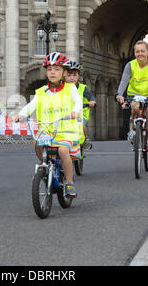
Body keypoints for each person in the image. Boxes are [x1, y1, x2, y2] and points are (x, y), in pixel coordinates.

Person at [13, 52, 82, 198]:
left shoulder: (71, 89)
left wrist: (75, 112)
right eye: (50, 69)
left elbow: (78, 102)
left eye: (57, 69)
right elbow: (31, 105)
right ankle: (47, 166)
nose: (52, 72)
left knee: (63, 151)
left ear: (64, 72)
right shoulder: (41, 92)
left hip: (66, 132)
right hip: (47, 130)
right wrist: (21, 115)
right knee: (36, 142)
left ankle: (69, 183)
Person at [116, 40, 148, 167]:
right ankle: (132, 129)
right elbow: (124, 81)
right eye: (137, 51)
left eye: (143, 51)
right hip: (135, 96)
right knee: (135, 106)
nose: (140, 54)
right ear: (134, 53)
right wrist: (119, 94)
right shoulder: (130, 65)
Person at [64, 61, 96, 149]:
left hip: (81, 114)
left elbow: (91, 97)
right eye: (69, 75)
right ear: (64, 76)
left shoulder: (83, 88)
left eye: (74, 75)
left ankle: (85, 139)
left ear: (78, 76)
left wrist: (92, 101)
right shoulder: (62, 88)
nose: (71, 78)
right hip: (66, 113)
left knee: (80, 124)